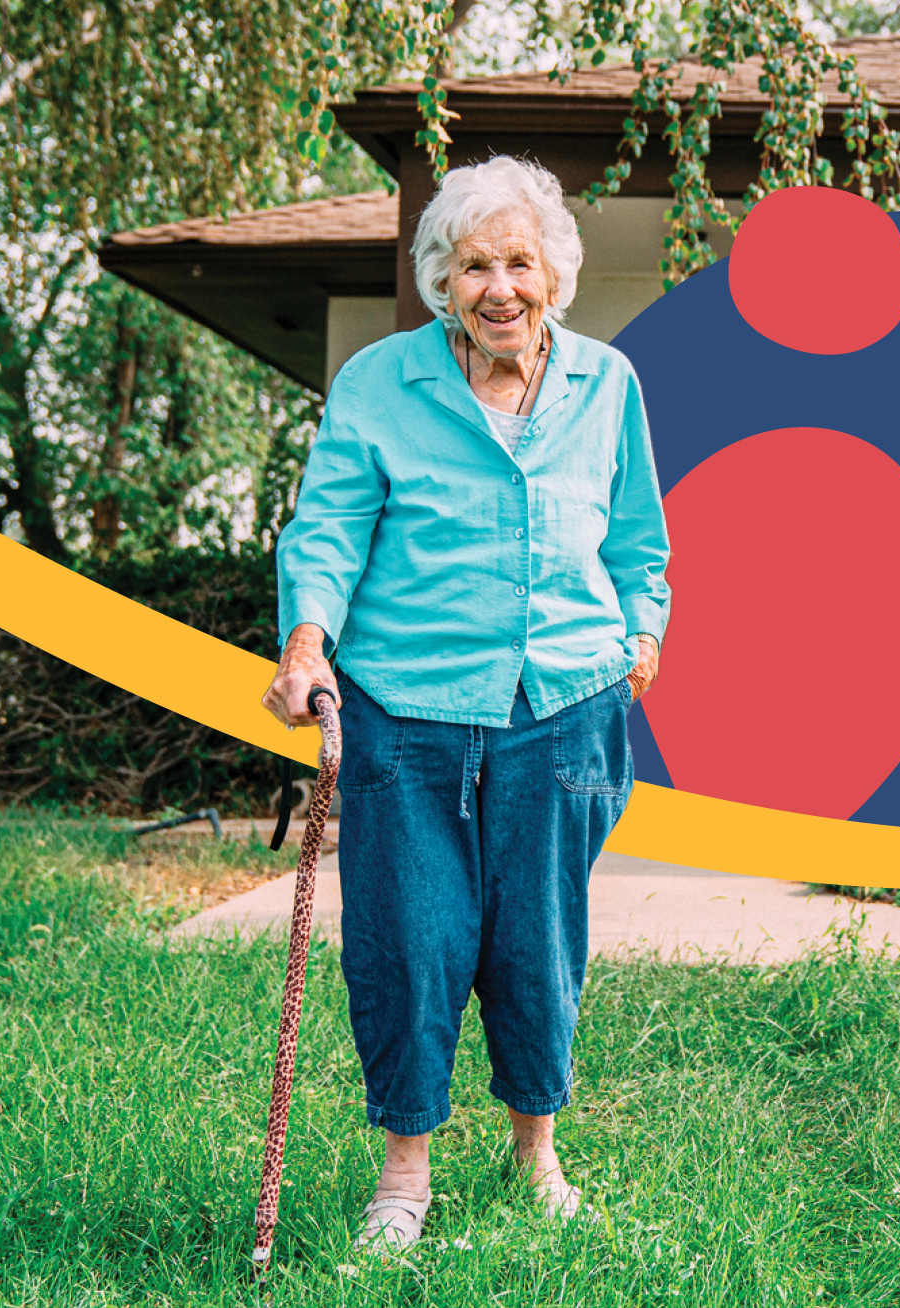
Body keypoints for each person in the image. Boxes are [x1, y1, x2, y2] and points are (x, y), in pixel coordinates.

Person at [260, 154, 671, 1250]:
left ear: (554, 276)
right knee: (410, 939)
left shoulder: (608, 385)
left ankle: (537, 1152)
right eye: (474, 264)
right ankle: (404, 1176)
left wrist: (642, 634)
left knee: (538, 942)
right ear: (442, 280)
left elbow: (638, 538)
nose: (500, 286)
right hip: (407, 704)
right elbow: (329, 529)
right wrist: (309, 642)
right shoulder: (382, 384)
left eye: (520, 262)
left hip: (566, 707)